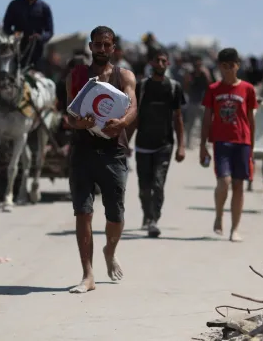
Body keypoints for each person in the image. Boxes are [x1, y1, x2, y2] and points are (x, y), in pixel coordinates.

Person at [65, 26, 137, 293]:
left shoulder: (124, 76)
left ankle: (110, 250)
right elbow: (70, 113)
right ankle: (88, 274)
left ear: (113, 47)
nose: (102, 49)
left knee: (115, 215)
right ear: (90, 46)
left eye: (107, 45)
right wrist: (79, 124)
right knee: (83, 213)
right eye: (97, 44)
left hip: (113, 152)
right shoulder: (76, 75)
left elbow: (133, 106)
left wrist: (122, 123)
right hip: (82, 151)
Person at [200, 48, 258, 242]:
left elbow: (251, 119)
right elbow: (207, 119)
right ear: (219, 67)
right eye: (224, 66)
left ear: (238, 66)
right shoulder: (213, 89)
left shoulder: (248, 89)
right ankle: (219, 215)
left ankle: (235, 228)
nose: (228, 70)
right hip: (221, 142)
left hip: (242, 142)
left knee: (239, 185)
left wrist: (252, 148)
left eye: (231, 65)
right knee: (224, 182)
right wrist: (202, 146)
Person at [127, 49, 186, 237]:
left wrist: (181, 146)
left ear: (167, 64)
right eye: (157, 60)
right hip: (143, 144)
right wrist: (125, 143)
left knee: (158, 184)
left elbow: (178, 118)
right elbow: (134, 117)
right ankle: (147, 213)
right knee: (144, 187)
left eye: (163, 61)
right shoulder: (142, 87)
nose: (160, 64)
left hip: (164, 144)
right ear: (151, 63)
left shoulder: (174, 87)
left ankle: (153, 220)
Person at [3, 0, 54, 68]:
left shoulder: (44, 7)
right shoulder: (14, 5)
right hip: (17, 52)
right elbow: (6, 27)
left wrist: (39, 37)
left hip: (37, 53)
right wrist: (14, 34)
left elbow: (49, 31)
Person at [183, 55, 212, 148]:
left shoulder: (204, 74)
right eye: (197, 65)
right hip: (192, 102)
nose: (198, 66)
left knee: (205, 124)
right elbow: (186, 87)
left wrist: (207, 75)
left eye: (200, 64)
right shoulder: (190, 74)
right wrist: (187, 79)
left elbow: (210, 86)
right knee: (190, 124)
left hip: (202, 103)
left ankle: (204, 142)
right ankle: (188, 142)